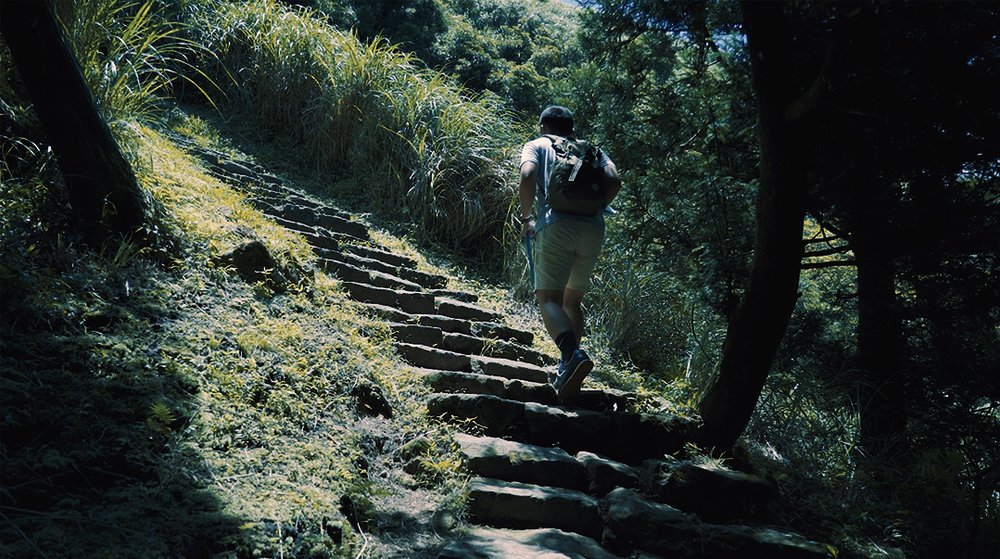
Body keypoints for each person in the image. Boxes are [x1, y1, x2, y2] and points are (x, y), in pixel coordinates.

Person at [517, 106, 621, 403]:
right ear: (571, 129)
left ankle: (571, 354)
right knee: (572, 300)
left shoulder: (537, 145)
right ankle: (568, 366)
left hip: (555, 224)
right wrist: (596, 207)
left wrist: (527, 219)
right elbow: (614, 180)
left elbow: (527, 174)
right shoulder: (592, 150)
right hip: (592, 229)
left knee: (548, 299)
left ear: (542, 126)